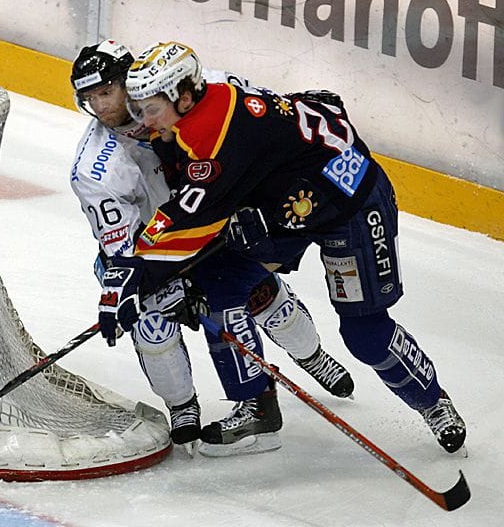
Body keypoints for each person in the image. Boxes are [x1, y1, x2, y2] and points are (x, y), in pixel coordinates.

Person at [109, 41, 465, 453]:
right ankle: (257, 405)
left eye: (150, 109)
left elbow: (190, 216)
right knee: (216, 283)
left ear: (185, 96)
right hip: (289, 207)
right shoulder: (191, 118)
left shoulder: (213, 134)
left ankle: (433, 402)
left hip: (349, 206)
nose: (142, 121)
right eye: (138, 108)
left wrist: (138, 273)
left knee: (364, 333)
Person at [70, 40, 353, 455]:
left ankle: (312, 356)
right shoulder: (95, 167)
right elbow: (122, 249)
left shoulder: (193, 95)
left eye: (106, 92)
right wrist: (154, 280)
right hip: (156, 246)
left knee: (262, 296)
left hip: (220, 223)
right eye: (90, 98)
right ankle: (182, 406)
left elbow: (261, 118)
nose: (101, 106)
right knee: (151, 323)